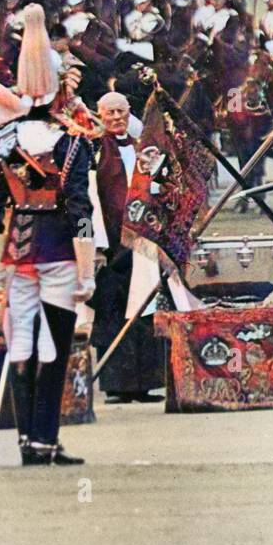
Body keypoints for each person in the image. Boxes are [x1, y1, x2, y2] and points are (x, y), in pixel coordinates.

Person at [0, 4, 95, 465]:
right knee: (55, 346)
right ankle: (45, 437)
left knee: (21, 345)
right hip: (60, 251)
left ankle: (27, 438)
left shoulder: (4, 139)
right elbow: (80, 208)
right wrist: (86, 270)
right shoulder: (73, 140)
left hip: (16, 251)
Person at [87, 91, 163, 404]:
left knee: (143, 308)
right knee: (112, 311)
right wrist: (97, 246)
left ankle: (144, 383)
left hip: (141, 241)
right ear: (100, 114)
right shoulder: (93, 149)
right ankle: (117, 385)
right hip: (110, 244)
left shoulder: (139, 149)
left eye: (121, 112)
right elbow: (90, 198)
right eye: (110, 113)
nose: (116, 118)